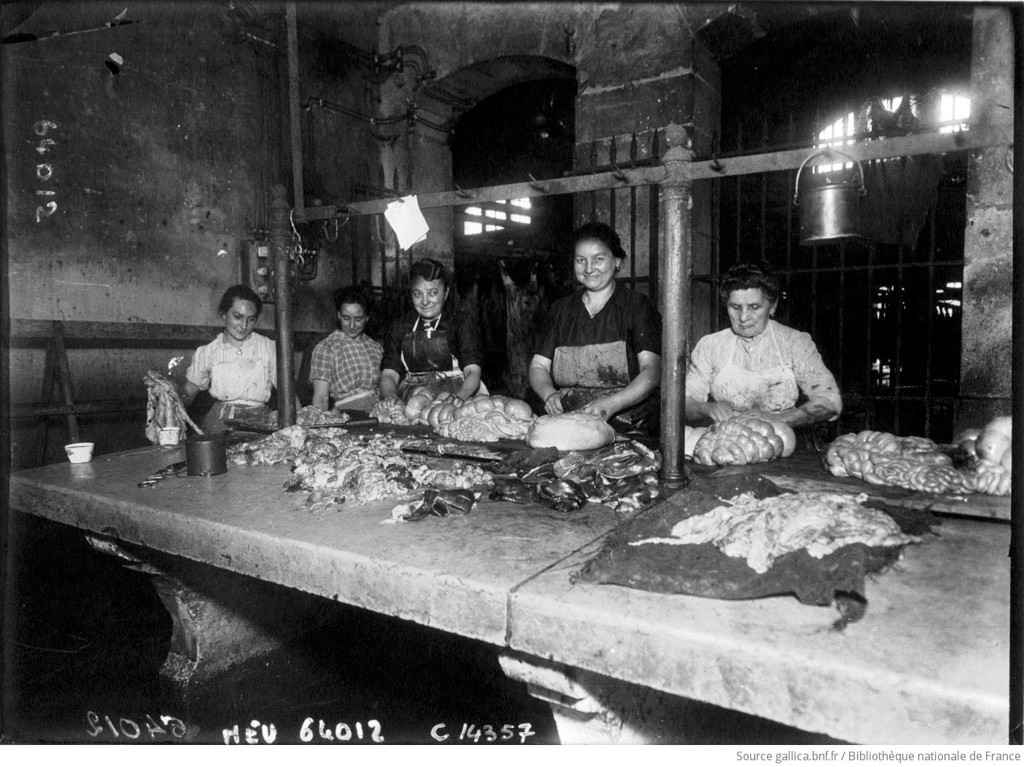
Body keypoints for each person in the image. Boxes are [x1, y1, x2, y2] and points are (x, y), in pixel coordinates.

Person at [528, 222, 662, 433]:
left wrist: (610, 405)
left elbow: (652, 372)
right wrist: (548, 394)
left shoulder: (637, 306)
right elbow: (538, 367)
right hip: (570, 422)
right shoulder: (560, 310)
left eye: (599, 259)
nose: (589, 269)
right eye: (581, 260)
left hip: (629, 427)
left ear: (617, 261)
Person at [685, 260, 842, 429]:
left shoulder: (795, 342)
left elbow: (829, 402)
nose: (743, 317)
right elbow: (685, 402)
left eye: (754, 307)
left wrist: (778, 419)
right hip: (728, 439)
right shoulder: (710, 345)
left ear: (772, 306)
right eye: (735, 307)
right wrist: (704, 408)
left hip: (785, 440)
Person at [379, 258, 483, 403]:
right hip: (413, 396)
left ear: (445, 293)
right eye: (417, 294)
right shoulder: (400, 326)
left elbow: (473, 371)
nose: (425, 301)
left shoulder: (460, 322)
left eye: (432, 293)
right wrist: (391, 399)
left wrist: (459, 398)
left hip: (459, 393)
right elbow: (389, 374)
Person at [181, 284, 281, 434]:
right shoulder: (208, 352)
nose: (244, 325)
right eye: (237, 317)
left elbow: (289, 393)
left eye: (251, 319)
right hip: (220, 423)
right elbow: (188, 393)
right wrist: (169, 394)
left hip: (261, 422)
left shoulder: (269, 348)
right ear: (223, 315)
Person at [309, 286, 383, 412]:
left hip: (378, 416)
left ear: (367, 317)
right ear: (338, 315)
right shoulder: (327, 348)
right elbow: (321, 398)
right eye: (346, 318)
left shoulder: (376, 348)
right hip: (345, 418)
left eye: (358, 319)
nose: (352, 325)